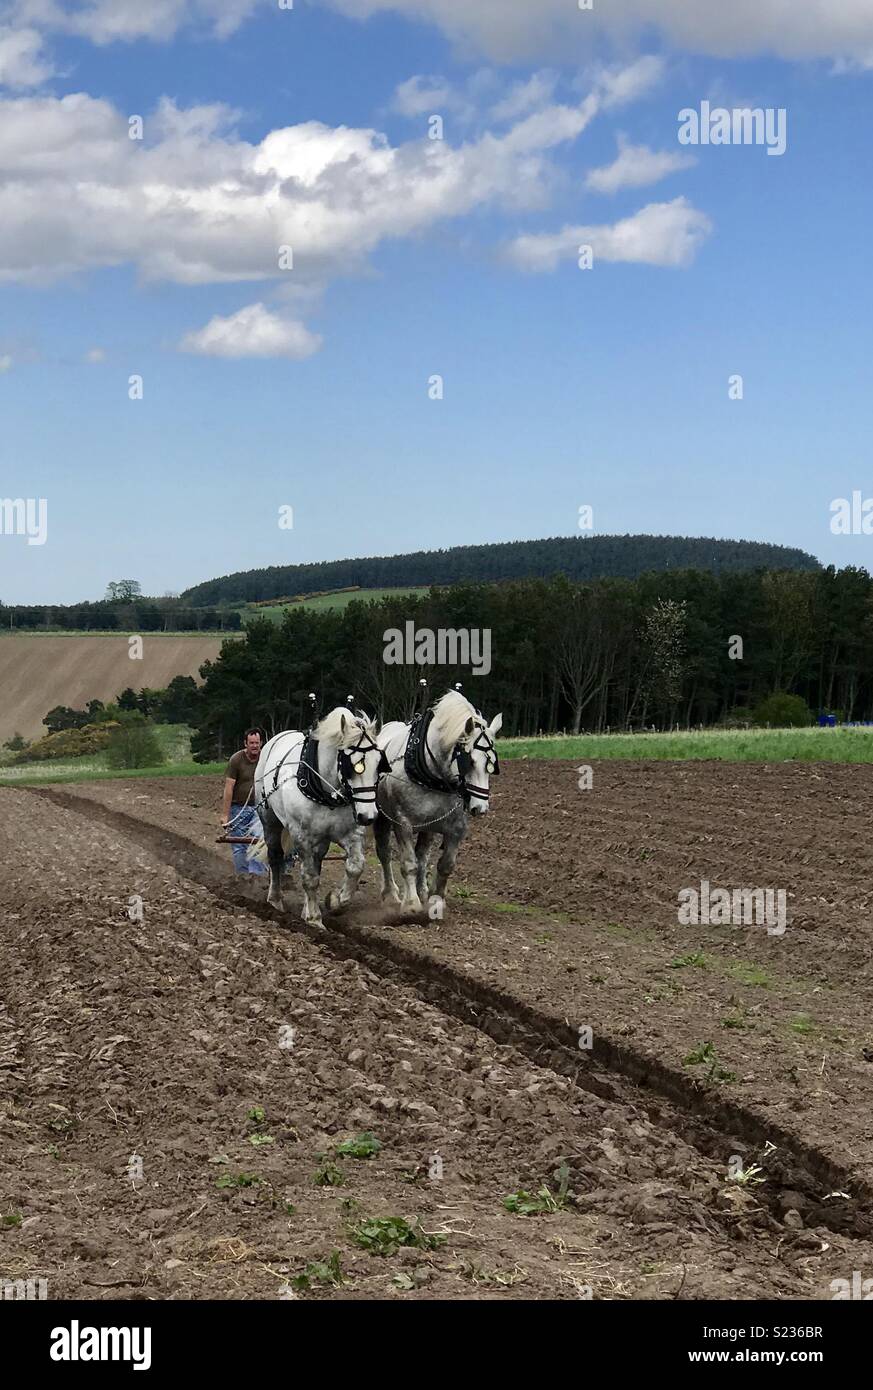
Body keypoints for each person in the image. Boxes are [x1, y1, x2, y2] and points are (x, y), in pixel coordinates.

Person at [222, 728, 267, 876]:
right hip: (238, 808)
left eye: (257, 743)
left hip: (258, 808)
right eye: (251, 743)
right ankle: (243, 878)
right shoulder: (236, 760)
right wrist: (225, 815)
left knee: (258, 840)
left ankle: (257, 877)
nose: (255, 746)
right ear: (245, 744)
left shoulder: (266, 759)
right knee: (239, 846)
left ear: (261, 743)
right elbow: (229, 787)